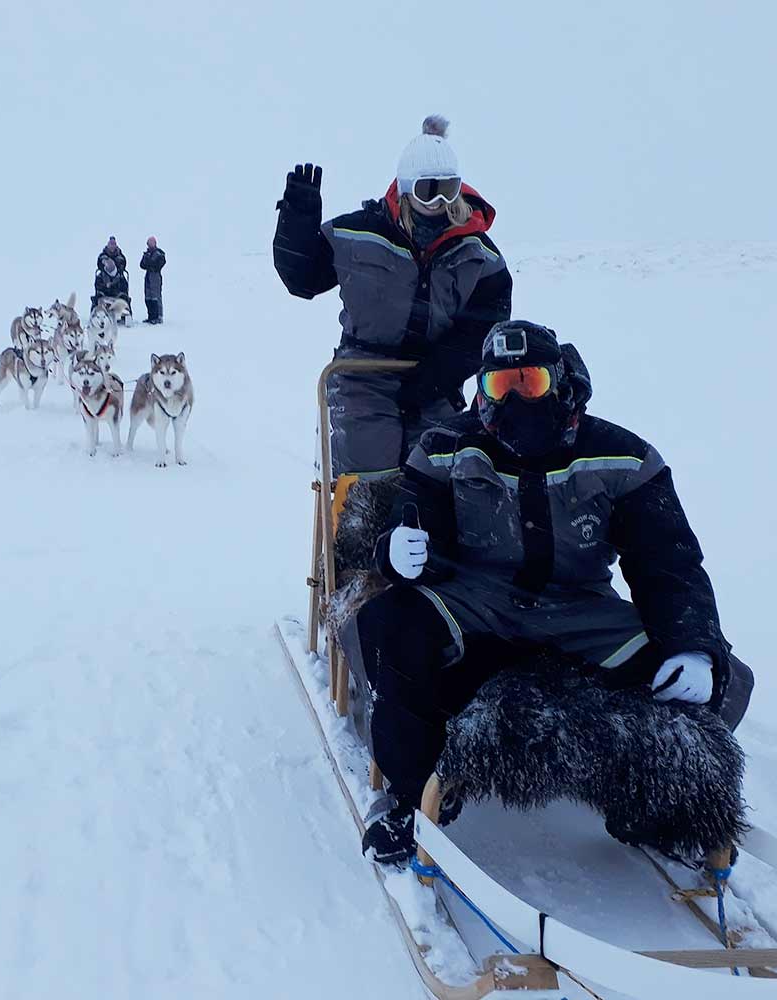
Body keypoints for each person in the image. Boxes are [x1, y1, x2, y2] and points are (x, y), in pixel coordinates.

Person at [353, 320, 752, 864]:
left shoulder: (624, 458)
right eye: (500, 386)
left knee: (713, 677)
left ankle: (656, 803)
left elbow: (668, 561)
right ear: (481, 390)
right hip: (479, 602)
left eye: (530, 382)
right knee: (392, 620)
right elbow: (416, 519)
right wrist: (394, 551)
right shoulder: (447, 447)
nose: (515, 400)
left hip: (579, 609)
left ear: (559, 382)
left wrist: (693, 645)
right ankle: (411, 795)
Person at [273, 115, 511, 523]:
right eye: (427, 191)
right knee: (367, 486)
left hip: (435, 382)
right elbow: (303, 279)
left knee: (437, 480)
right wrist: (297, 222)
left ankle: (432, 553)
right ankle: (358, 553)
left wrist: (434, 377)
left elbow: (484, 327)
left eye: (448, 189)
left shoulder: (477, 255)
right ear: (404, 190)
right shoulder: (360, 234)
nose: (439, 203)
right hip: (362, 379)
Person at [140, 237, 166, 324]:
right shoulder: (147, 253)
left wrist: (150, 263)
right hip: (148, 276)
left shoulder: (159, 253)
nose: (150, 245)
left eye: (151, 243)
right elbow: (142, 265)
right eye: (148, 243)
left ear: (155, 243)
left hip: (155, 276)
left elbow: (158, 265)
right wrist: (148, 262)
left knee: (156, 297)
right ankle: (151, 316)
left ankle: (158, 316)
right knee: (148, 297)